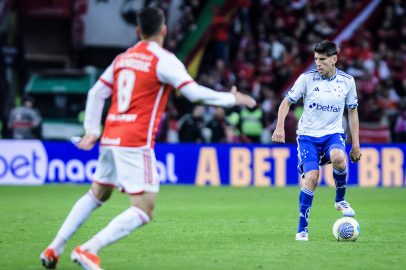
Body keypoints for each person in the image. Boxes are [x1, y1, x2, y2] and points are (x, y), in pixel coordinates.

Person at [40, 7, 256, 270]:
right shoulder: (163, 60)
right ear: (164, 29)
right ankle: (89, 250)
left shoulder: (123, 58)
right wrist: (232, 98)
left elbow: (96, 93)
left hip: (110, 136)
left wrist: (92, 130)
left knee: (98, 193)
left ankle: (54, 247)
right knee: (144, 209)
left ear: (138, 31)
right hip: (135, 140)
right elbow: (195, 94)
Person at [272, 40, 361, 241]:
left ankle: (340, 200)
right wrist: (279, 126)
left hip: (333, 134)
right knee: (312, 178)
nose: (317, 63)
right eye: (315, 59)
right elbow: (287, 101)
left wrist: (355, 145)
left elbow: (353, 112)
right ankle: (302, 228)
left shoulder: (348, 82)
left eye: (322, 59)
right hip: (307, 137)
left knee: (339, 157)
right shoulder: (306, 79)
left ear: (334, 59)